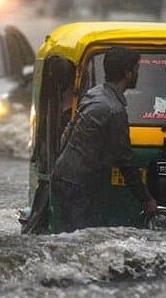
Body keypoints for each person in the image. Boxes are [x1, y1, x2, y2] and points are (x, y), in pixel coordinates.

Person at [50, 46, 158, 231]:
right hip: (77, 186)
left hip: (63, 176)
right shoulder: (114, 110)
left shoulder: (94, 93)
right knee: (79, 239)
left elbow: (68, 132)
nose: (137, 73)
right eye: (136, 68)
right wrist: (146, 198)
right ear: (128, 73)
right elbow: (125, 159)